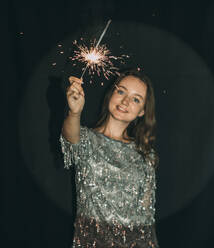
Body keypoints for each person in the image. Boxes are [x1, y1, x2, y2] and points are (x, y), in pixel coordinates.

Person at [60, 69, 159, 248]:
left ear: (142, 111)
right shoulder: (86, 140)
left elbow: (147, 216)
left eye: (136, 99)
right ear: (111, 94)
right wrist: (75, 112)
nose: (125, 101)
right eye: (121, 91)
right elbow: (70, 136)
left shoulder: (146, 155)